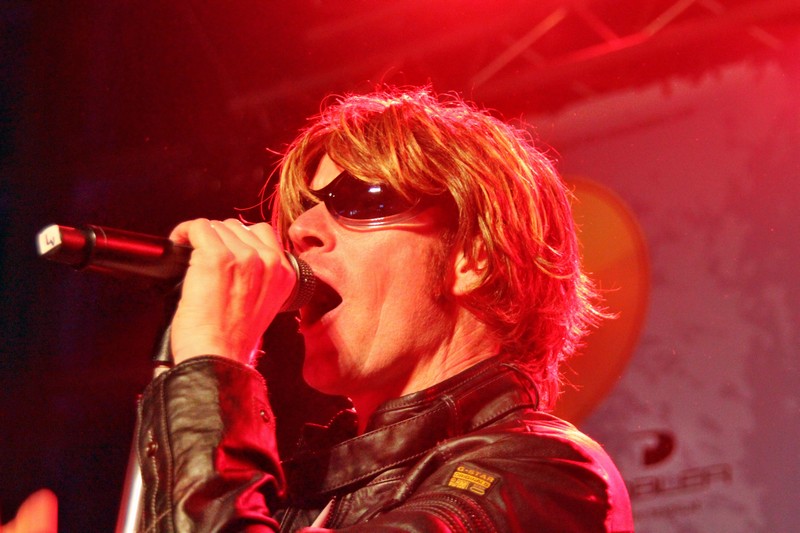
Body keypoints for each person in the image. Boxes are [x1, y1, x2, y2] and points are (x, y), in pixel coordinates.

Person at [136, 87, 634, 532]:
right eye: (301, 210)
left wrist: (214, 365)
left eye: (360, 199)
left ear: (474, 257)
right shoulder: (296, 493)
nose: (299, 231)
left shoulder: (544, 476)